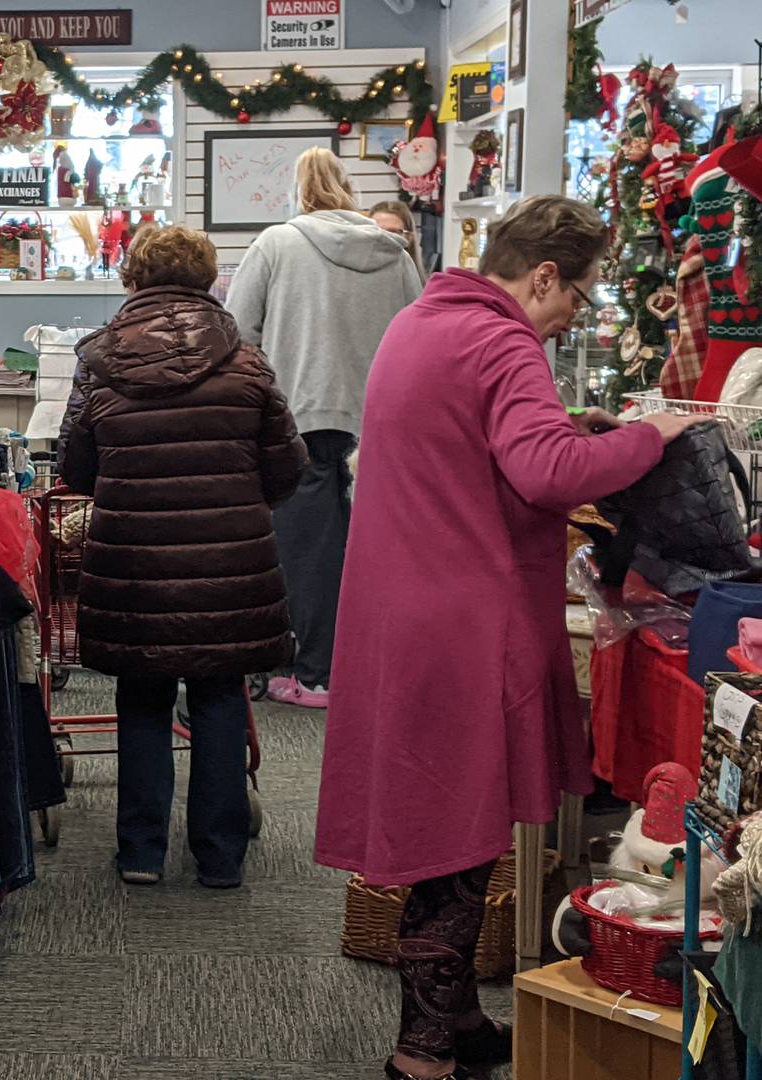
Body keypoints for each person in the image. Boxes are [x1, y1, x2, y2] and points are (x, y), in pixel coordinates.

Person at [312, 196, 709, 1080]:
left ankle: (453, 1023)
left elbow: (480, 449)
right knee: (459, 838)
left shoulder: (425, 321)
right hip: (464, 617)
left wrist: (573, 428)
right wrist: (651, 433)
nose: (575, 315)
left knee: (440, 828)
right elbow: (548, 472)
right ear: (541, 278)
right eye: (578, 295)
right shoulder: (502, 340)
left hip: (401, 608)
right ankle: (422, 1053)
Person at [58, 225, 308, 888]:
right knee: (220, 696)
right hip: (229, 571)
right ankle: (220, 855)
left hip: (134, 568)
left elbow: (77, 468)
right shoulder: (247, 362)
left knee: (142, 696)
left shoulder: (98, 362)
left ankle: (141, 850)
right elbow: (288, 467)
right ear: (209, 283)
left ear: (131, 281)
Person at [225, 146, 421, 709]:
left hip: (300, 415)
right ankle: (369, 669)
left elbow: (238, 329)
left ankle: (315, 674)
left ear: (299, 191)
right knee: (375, 551)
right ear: (349, 190)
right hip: (377, 424)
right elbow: (417, 333)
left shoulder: (276, 244)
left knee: (308, 552)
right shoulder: (395, 252)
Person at [370, 199, 427, 281]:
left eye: (393, 232)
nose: (384, 238)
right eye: (377, 231)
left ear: (409, 238)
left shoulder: (424, 288)